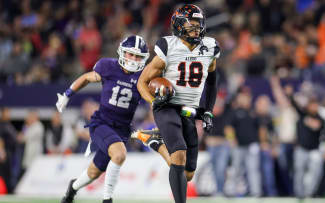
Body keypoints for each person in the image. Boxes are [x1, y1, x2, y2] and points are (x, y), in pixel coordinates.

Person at [56, 35, 161, 203]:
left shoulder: (144, 76)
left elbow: (152, 101)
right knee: (119, 155)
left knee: (93, 172)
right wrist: (67, 94)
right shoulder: (108, 66)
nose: (133, 59)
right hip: (102, 123)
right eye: (130, 54)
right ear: (122, 52)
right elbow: (86, 78)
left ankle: (72, 188)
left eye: (138, 56)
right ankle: (107, 200)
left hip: (122, 128)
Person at [136, 4, 219, 203]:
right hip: (167, 106)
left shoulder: (210, 47)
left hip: (189, 109)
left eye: (198, 24)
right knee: (179, 153)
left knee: (188, 172)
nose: (196, 29)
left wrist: (208, 111)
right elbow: (142, 82)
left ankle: (156, 142)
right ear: (178, 26)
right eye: (190, 25)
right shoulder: (168, 46)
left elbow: (212, 81)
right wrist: (155, 100)